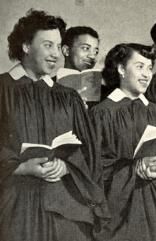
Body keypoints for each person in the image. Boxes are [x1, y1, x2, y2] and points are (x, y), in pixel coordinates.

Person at [0, 9, 109, 241]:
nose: (55, 55)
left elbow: (89, 151)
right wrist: (21, 168)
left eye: (58, 46)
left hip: (65, 202)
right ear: (26, 46)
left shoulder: (68, 96)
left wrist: (67, 165)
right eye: (47, 45)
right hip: (17, 203)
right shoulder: (3, 90)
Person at [90, 43, 156, 241]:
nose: (146, 74)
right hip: (124, 207)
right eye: (139, 67)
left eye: (149, 68)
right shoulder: (101, 114)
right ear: (121, 69)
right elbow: (94, 167)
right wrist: (133, 169)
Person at [60, 26, 108, 108]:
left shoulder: (105, 93)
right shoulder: (47, 87)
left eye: (96, 51)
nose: (92, 56)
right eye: (86, 48)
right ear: (66, 51)